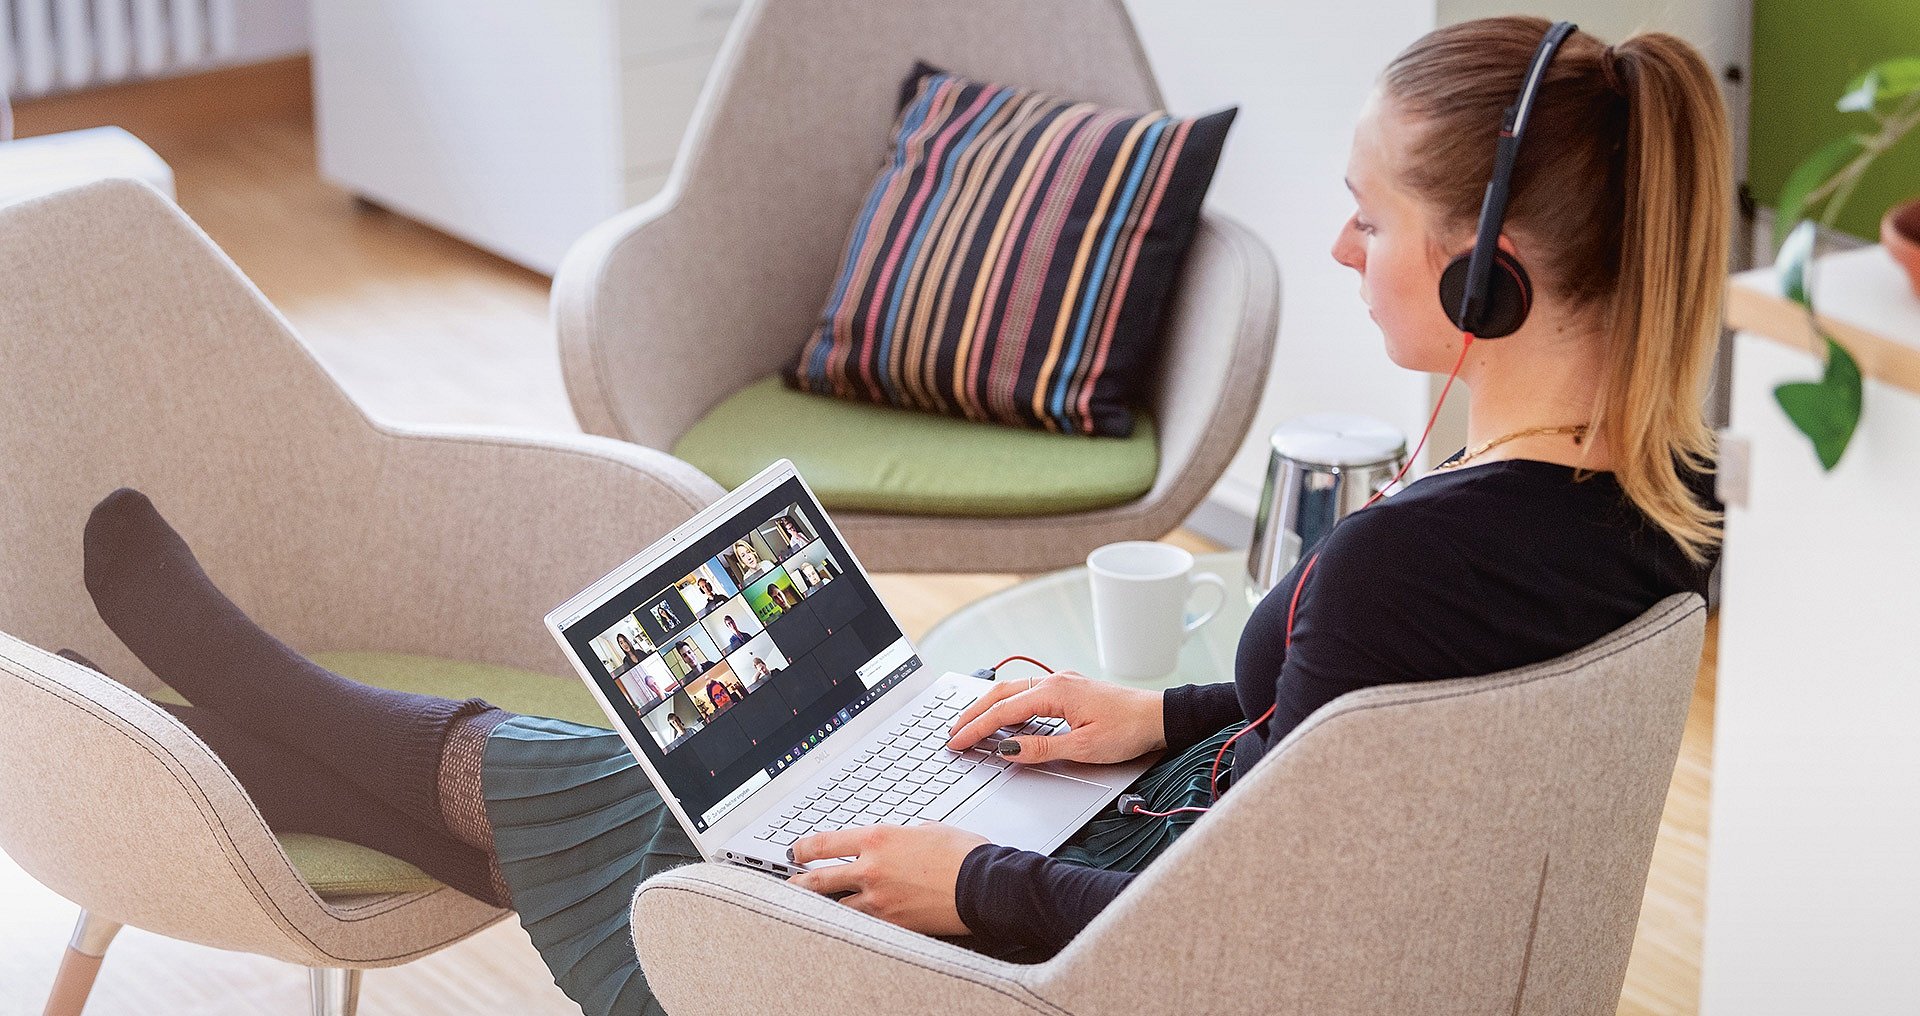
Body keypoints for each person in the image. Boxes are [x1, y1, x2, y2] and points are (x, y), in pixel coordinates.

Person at [67, 18, 1728, 1013]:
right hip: (1185, 846)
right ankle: (269, 743)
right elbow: (1340, 755)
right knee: (734, 785)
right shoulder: (1656, 513)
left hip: (1101, 946)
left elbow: (1230, 942)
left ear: (1492, 273)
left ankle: (270, 721)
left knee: (694, 822)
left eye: (1375, 219)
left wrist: (972, 888)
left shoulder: (1404, 558)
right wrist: (1151, 713)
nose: (1348, 249)